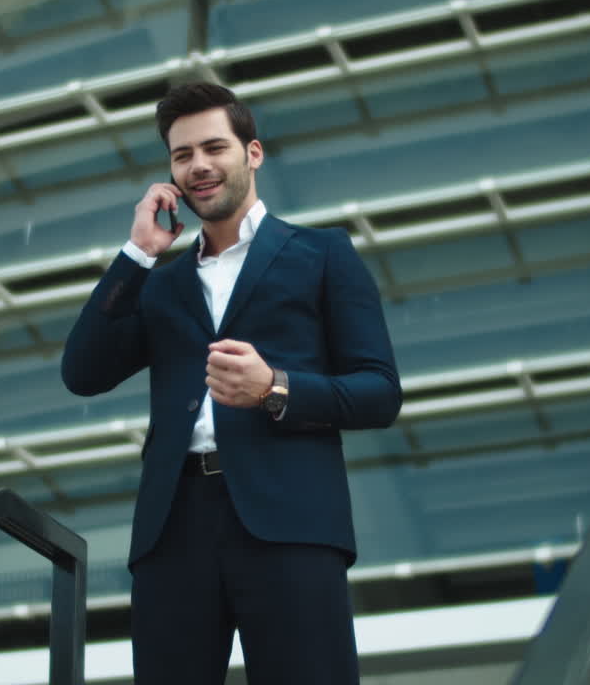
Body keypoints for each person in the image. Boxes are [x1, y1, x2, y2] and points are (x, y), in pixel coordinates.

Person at [61, 82, 402, 684]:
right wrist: (138, 254)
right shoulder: (161, 283)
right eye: (182, 154)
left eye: (214, 147)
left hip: (290, 522)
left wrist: (275, 388)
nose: (199, 166)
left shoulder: (322, 254)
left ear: (253, 153)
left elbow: (379, 392)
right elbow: (82, 373)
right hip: (174, 530)